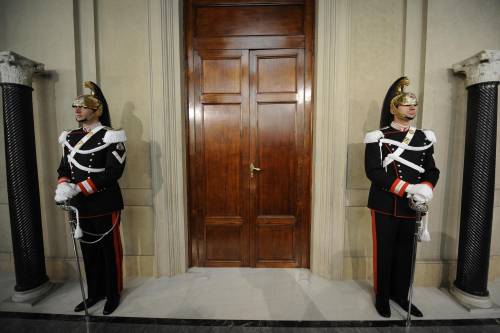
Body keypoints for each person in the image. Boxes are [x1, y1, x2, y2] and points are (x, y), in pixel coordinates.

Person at [364, 77, 439, 318]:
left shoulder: (423, 138)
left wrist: (427, 187)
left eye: (414, 104)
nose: (412, 108)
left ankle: (400, 295)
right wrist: (409, 188)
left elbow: (431, 169)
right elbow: (374, 172)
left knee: (407, 255)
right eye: (407, 104)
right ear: (394, 108)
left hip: (412, 206)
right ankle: (382, 297)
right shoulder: (377, 137)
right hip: (386, 204)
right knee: (384, 253)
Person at [54, 81, 126, 315]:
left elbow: (114, 172)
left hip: (104, 202)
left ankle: (113, 294)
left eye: (82, 106)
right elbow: (64, 167)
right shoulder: (70, 137)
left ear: (96, 110)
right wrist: (64, 185)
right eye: (75, 106)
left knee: (109, 251)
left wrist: (80, 187)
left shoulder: (111, 136)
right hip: (79, 206)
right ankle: (95, 292)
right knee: (89, 252)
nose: (77, 110)